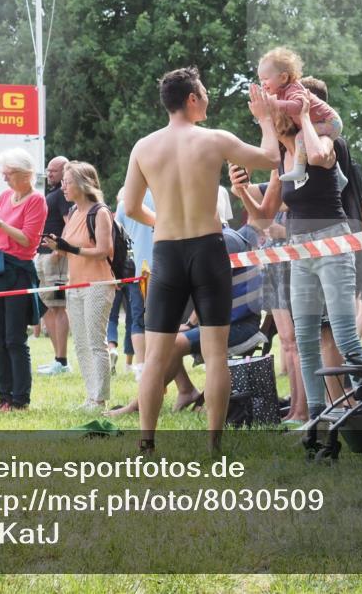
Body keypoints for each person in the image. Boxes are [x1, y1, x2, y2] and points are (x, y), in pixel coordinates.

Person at [123, 66, 279, 452]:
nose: (208, 98)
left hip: (167, 252)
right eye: (204, 92)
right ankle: (214, 445)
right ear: (192, 99)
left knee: (155, 357)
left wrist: (162, 220)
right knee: (215, 354)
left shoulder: (144, 147)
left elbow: (131, 207)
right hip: (208, 250)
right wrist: (265, 119)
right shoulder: (214, 139)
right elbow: (271, 158)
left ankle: (147, 443)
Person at [233, 90, 362, 423]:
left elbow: (322, 156)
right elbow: (263, 220)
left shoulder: (321, 141)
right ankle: (316, 418)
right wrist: (242, 192)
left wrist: (306, 115)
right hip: (300, 251)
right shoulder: (281, 159)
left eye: (269, 114)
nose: (263, 122)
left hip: (332, 243)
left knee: (345, 334)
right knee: (305, 339)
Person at [106, 219, 266, 418]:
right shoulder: (221, 239)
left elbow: (208, 292)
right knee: (165, 340)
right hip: (228, 321)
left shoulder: (223, 242)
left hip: (239, 325)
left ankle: (137, 405)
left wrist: (189, 323)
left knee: (172, 344)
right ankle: (186, 390)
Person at [0, 148, 48, 412]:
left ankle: (20, 399)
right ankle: (4, 397)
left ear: (26, 174)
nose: (4, 178)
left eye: (9, 173)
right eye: (3, 173)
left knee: (15, 339)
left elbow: (27, 240)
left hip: (18, 272)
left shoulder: (36, 201)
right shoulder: (5, 196)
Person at [42, 161, 115, 412]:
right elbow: (69, 249)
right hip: (75, 284)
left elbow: (103, 250)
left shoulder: (100, 212)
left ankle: (100, 399)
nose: (63, 187)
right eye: (63, 182)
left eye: (68, 182)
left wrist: (70, 248)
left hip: (98, 284)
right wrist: (57, 247)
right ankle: (90, 396)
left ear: (83, 184)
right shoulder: (73, 212)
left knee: (95, 342)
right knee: (81, 344)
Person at [255, 47, 343, 185]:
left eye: (266, 79)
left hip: (330, 122)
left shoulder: (294, 89)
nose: (263, 84)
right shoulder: (281, 92)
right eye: (260, 80)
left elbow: (298, 107)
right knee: (307, 140)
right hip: (321, 123)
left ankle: (299, 170)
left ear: (283, 77)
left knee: (301, 137)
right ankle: (340, 178)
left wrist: (274, 104)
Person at [108, 189, 154, 377]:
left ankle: (141, 366)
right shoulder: (163, 195)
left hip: (137, 269)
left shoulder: (124, 204)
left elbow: (117, 240)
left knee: (138, 318)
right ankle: (157, 363)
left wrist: (116, 270)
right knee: (160, 317)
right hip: (163, 266)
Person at [36, 155, 72, 374]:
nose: (49, 174)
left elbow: (70, 222)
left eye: (54, 170)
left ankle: (62, 361)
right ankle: (57, 359)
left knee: (58, 307)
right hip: (42, 255)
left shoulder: (63, 195)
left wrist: (60, 249)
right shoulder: (52, 194)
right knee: (47, 307)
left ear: (64, 172)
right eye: (48, 170)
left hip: (55, 258)